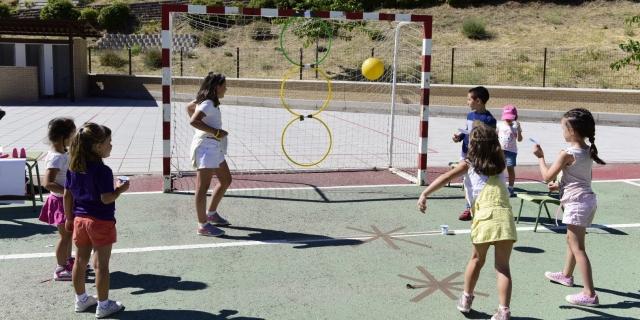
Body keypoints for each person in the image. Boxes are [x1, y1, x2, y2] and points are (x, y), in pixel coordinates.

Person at [419, 123, 516, 320]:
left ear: (473, 145)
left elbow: (446, 177)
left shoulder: (469, 165)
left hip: (484, 218)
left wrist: (425, 193)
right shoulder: (501, 165)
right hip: (505, 218)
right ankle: (504, 311)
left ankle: (466, 299)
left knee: (476, 260)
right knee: (503, 267)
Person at [534, 108, 605, 307]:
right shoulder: (587, 150)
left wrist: (540, 157)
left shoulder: (567, 153)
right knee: (572, 241)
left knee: (578, 248)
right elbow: (583, 178)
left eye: (563, 128)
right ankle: (566, 275)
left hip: (576, 203)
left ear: (572, 130)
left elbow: (546, 176)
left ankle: (590, 294)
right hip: (586, 200)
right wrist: (561, 185)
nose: (562, 131)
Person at [64, 123, 129, 318]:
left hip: (79, 220)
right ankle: (103, 305)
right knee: (101, 265)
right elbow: (106, 198)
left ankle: (81, 300)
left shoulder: (73, 166)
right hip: (100, 221)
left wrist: (69, 218)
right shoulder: (102, 170)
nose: (111, 145)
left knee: (80, 261)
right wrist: (120, 189)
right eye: (109, 142)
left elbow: (67, 195)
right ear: (97, 146)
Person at [188, 72, 232, 237]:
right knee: (202, 187)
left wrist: (211, 132)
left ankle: (211, 214)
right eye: (224, 86)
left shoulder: (208, 102)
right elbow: (193, 120)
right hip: (206, 148)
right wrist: (215, 132)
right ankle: (202, 225)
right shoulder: (207, 104)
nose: (226, 89)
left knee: (226, 180)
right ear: (216, 87)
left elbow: (189, 108)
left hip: (214, 147)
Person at [38, 117, 76, 281]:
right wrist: (68, 193)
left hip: (64, 200)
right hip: (60, 202)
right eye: (72, 135)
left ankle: (67, 261)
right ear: (63, 137)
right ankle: (60, 268)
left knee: (68, 234)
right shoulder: (56, 157)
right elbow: (47, 183)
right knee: (65, 236)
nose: (73, 138)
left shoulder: (61, 153)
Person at [452, 86, 497, 221]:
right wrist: (459, 137)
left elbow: (491, 139)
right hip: (466, 153)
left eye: (469, 99)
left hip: (479, 156)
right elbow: (467, 130)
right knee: (467, 182)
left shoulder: (489, 120)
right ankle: (469, 207)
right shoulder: (470, 115)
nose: (467, 102)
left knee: (480, 183)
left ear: (478, 101)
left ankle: (481, 207)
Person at [497, 105, 523, 197]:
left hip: (511, 152)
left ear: (515, 117)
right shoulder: (499, 125)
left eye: (510, 118)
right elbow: (495, 136)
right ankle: (500, 185)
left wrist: (519, 131)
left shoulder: (516, 125)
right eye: (506, 118)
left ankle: (511, 188)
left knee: (510, 168)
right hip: (500, 151)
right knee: (499, 168)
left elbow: (519, 139)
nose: (508, 120)